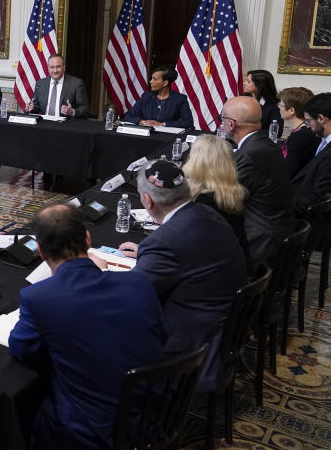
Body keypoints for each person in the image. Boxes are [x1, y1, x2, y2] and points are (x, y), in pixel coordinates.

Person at [8, 204, 165, 449]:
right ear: (88, 239)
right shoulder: (139, 282)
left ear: (40, 251)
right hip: (153, 415)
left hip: (90, 433)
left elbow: (22, 350)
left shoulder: (38, 298)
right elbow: (161, 337)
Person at [118, 161, 247, 391]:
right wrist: (150, 255)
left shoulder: (165, 241)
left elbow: (129, 296)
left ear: (147, 200)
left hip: (188, 344)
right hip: (222, 324)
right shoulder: (207, 213)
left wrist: (93, 270)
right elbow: (190, 251)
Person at [219, 95, 294, 264]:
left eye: (222, 119)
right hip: (277, 229)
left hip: (258, 240)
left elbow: (227, 201)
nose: (221, 124)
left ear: (231, 124)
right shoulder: (264, 144)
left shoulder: (249, 155)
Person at [183, 135, 250, 268]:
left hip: (212, 275)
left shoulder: (203, 202)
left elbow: (190, 251)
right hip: (235, 268)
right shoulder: (233, 193)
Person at [291, 93, 331, 216]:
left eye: (308, 121)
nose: (307, 126)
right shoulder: (324, 141)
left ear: (320, 118)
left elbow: (319, 198)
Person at [123, 66, 193, 128]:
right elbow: (128, 116)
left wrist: (162, 124)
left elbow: (188, 122)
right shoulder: (146, 96)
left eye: (154, 79)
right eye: (151, 79)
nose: (150, 82)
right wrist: (142, 122)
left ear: (165, 83)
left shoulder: (179, 99)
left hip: (167, 138)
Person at [26, 54, 89, 118]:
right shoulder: (40, 84)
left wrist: (72, 112)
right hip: (44, 123)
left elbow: (85, 110)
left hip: (65, 125)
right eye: (52, 67)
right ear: (48, 68)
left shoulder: (76, 84)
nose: (55, 70)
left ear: (64, 67)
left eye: (58, 67)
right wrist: (31, 108)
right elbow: (36, 107)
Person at [278, 86, 319, 178]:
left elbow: (287, 171)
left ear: (292, 110)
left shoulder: (301, 135)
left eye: (281, 105)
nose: (279, 107)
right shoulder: (304, 130)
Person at [244, 69, 282, 137]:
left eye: (248, 82)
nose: (244, 83)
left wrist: (249, 134)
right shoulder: (241, 99)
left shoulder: (274, 105)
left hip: (260, 142)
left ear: (259, 85)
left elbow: (276, 132)